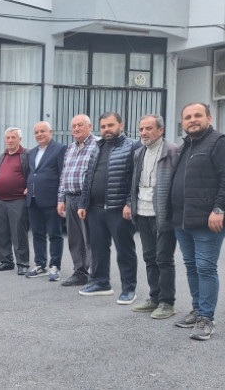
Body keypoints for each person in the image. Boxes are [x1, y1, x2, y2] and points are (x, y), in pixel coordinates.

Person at [170, 103, 225, 341]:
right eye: (187, 117)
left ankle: (206, 318)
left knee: (205, 267)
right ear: (182, 122)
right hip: (183, 219)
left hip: (208, 220)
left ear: (209, 118)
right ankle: (198, 308)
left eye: (197, 115)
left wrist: (219, 209)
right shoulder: (186, 146)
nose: (192, 120)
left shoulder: (221, 143)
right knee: (191, 266)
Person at [77, 112, 141, 304]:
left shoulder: (132, 146)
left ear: (121, 125)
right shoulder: (97, 148)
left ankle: (129, 289)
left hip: (119, 209)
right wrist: (83, 203)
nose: (107, 129)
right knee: (98, 248)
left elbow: (136, 179)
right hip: (95, 209)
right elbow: (89, 177)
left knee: (125, 250)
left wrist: (129, 203)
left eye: (110, 125)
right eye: (103, 126)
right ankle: (101, 282)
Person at [126, 115, 179, 319]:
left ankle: (167, 302)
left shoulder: (172, 151)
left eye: (148, 128)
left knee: (163, 258)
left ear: (161, 130)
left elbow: (176, 184)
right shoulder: (139, 152)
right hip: (142, 212)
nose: (144, 133)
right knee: (149, 257)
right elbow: (134, 182)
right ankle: (154, 298)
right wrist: (131, 204)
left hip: (163, 214)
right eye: (141, 129)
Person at [57, 114, 99, 287]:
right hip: (70, 197)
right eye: (73, 126)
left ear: (90, 126)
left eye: (80, 125)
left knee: (91, 238)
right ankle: (80, 272)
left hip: (88, 198)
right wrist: (61, 199)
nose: (76, 129)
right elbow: (64, 175)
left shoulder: (98, 145)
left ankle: (96, 275)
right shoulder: (70, 148)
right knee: (75, 238)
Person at [24, 121, 67, 281]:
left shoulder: (60, 149)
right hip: (33, 200)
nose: (39, 134)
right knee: (37, 234)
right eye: (36, 132)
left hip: (51, 199)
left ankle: (54, 266)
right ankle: (40, 265)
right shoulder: (32, 152)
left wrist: (61, 199)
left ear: (51, 132)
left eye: (42, 131)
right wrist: (28, 187)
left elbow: (63, 174)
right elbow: (31, 173)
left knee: (55, 234)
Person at [0, 127, 30, 274]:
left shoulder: (26, 155)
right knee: (2, 233)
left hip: (18, 200)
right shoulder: (2, 156)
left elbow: (34, 173)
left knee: (19, 234)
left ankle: (23, 263)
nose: (10, 140)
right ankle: (6, 261)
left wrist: (30, 187)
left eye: (13, 137)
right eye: (8, 138)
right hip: (0, 201)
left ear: (20, 139)